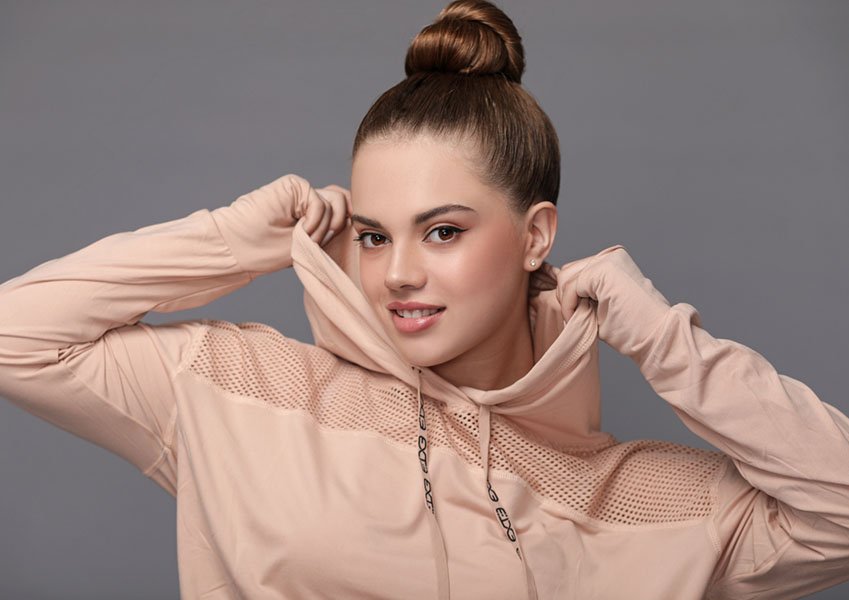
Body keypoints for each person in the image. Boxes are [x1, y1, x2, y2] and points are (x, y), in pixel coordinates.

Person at [1, 1, 848, 598]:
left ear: (535, 237)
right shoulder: (237, 387)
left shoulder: (646, 501)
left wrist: (662, 338)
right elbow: (16, 337)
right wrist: (233, 239)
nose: (397, 273)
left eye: (442, 231)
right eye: (374, 236)